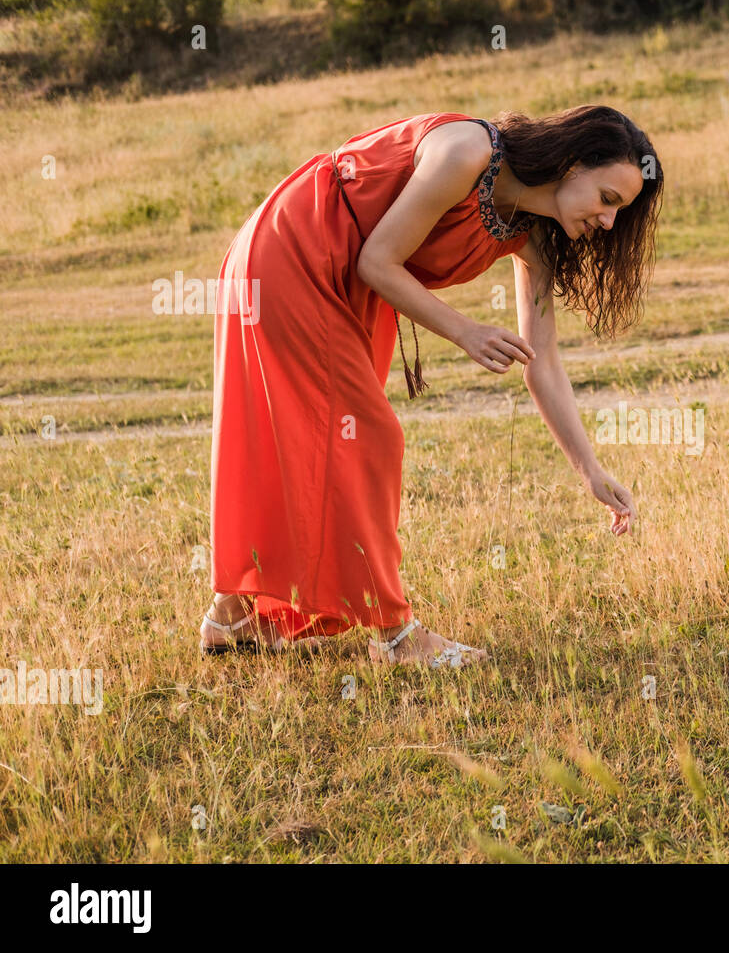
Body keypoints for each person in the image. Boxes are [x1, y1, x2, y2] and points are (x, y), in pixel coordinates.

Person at [199, 105, 663, 668]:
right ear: (571, 163)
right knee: (366, 440)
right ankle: (395, 636)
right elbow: (378, 260)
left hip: (345, 281)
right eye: (608, 200)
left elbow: (542, 364)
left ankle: (233, 616)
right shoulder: (468, 153)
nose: (609, 223)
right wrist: (465, 331)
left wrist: (591, 469)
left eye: (620, 212)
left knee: (314, 440)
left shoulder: (532, 239)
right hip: (299, 251)